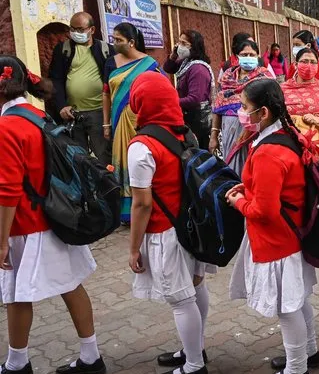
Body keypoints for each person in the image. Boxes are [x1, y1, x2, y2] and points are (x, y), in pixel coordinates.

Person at [0, 55, 106, 374]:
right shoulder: (34, 114)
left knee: (17, 295)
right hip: (56, 214)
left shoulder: (6, 126)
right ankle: (90, 355)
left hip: (26, 225)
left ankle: (18, 363)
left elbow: (7, 191)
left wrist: (0, 240)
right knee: (71, 285)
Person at [227, 78, 319, 374]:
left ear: (263, 112)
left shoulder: (268, 151)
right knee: (298, 299)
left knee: (286, 307)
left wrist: (239, 200)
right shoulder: (286, 134)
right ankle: (308, 352)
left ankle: (297, 371)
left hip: (276, 238)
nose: (241, 112)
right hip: (291, 234)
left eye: (244, 107)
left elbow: (263, 211)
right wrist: (249, 188)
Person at [127, 71, 213, 374]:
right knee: (196, 286)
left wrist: (134, 247)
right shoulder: (184, 132)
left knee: (180, 299)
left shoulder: (142, 145)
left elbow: (142, 204)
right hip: (191, 227)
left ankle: (193, 364)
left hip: (165, 232)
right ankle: (196, 348)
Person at [103, 22, 161, 225]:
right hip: (118, 121)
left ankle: (147, 205)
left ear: (131, 42)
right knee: (124, 160)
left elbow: (158, 92)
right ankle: (127, 212)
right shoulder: (111, 63)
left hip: (141, 121)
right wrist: (106, 124)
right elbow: (106, 94)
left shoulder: (150, 64)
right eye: (114, 39)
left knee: (142, 161)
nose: (115, 43)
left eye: (119, 40)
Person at [49, 12, 114, 164]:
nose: (75, 33)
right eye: (72, 29)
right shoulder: (63, 50)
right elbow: (56, 80)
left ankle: (110, 186)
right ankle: (85, 187)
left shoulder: (106, 50)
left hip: (99, 113)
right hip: (73, 114)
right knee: (77, 158)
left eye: (80, 29)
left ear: (92, 30)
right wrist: (61, 106)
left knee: (104, 156)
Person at [211, 40, 274, 176]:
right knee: (230, 167)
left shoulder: (265, 78)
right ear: (237, 56)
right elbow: (217, 107)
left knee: (251, 167)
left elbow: (270, 109)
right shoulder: (227, 77)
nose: (248, 57)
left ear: (258, 56)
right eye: (244, 54)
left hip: (253, 131)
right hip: (227, 131)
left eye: (252, 54)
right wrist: (214, 135)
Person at [281, 48, 319, 172]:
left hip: (318, 149)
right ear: (295, 64)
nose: (309, 65)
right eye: (304, 61)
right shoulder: (282, 89)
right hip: (289, 145)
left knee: (315, 184)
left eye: (313, 62)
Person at [163, 30, 214, 149]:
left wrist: (172, 102)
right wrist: (173, 55)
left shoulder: (198, 69)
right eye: (179, 42)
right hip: (189, 117)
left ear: (194, 47)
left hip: (198, 121)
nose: (180, 46)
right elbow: (169, 68)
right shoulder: (186, 62)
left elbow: (194, 99)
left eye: (184, 44)